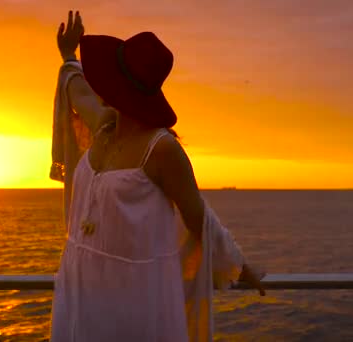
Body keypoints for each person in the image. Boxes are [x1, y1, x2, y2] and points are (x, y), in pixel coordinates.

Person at [49, 10, 265, 342]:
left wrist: (239, 266)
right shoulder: (106, 125)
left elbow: (198, 217)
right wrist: (68, 55)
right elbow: (77, 91)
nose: (98, 83)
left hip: (132, 297)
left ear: (120, 87)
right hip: (81, 287)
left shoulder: (161, 149)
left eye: (106, 77)